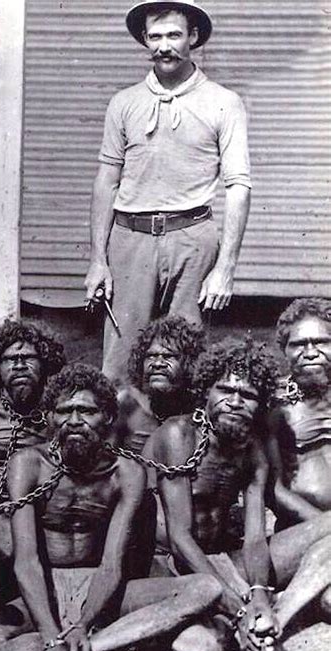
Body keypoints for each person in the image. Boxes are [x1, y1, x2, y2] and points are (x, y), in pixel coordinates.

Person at [0, 364, 221, 651]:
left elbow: (112, 562)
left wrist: (85, 626)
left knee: (205, 587)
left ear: (108, 418)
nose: (74, 420)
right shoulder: (28, 463)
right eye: (64, 411)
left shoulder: (126, 472)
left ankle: (89, 649)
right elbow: (26, 561)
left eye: (86, 411)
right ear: (51, 417)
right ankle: (88, 649)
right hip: (47, 587)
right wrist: (52, 635)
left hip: (101, 589)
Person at [85, 0, 252, 382]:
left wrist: (225, 269)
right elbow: (106, 180)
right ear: (145, 40)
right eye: (155, 36)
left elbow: (239, 185)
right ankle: (118, 441)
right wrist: (98, 259)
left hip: (192, 241)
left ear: (193, 37)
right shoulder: (124, 102)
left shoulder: (224, 103)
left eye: (174, 35)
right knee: (119, 363)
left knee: (185, 359)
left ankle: (178, 439)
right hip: (130, 240)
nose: (165, 46)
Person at [145, 337, 331, 651]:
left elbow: (256, 536)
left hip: (227, 560)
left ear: (260, 405)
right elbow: (179, 539)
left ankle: (278, 614)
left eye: (247, 396)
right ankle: (234, 621)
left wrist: (258, 592)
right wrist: (241, 608)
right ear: (205, 391)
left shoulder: (252, 447)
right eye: (225, 391)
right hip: (173, 568)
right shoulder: (178, 435)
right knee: (201, 650)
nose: (234, 402)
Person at [0, 319, 66, 588]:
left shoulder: (60, 406)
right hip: (2, 513)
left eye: (28, 357)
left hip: (49, 511)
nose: (19, 365)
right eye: (10, 359)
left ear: (44, 362)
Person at [267, 298, 331, 530]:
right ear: (284, 349)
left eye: (321, 342)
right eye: (299, 344)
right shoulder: (274, 404)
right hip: (301, 527)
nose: (310, 352)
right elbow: (272, 489)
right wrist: (324, 525)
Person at [114, 314, 205, 452]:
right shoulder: (126, 403)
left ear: (190, 363)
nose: (157, 363)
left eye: (169, 356)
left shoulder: (199, 407)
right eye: (150, 356)